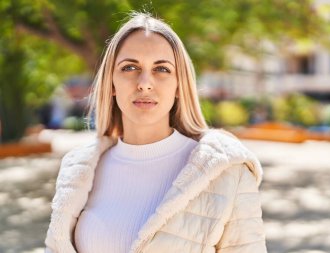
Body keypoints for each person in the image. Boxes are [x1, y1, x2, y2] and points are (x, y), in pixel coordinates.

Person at [44, 12, 267, 253]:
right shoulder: (76, 170)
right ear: (111, 83)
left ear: (179, 85)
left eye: (161, 69)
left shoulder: (228, 172)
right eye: (129, 67)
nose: (145, 83)